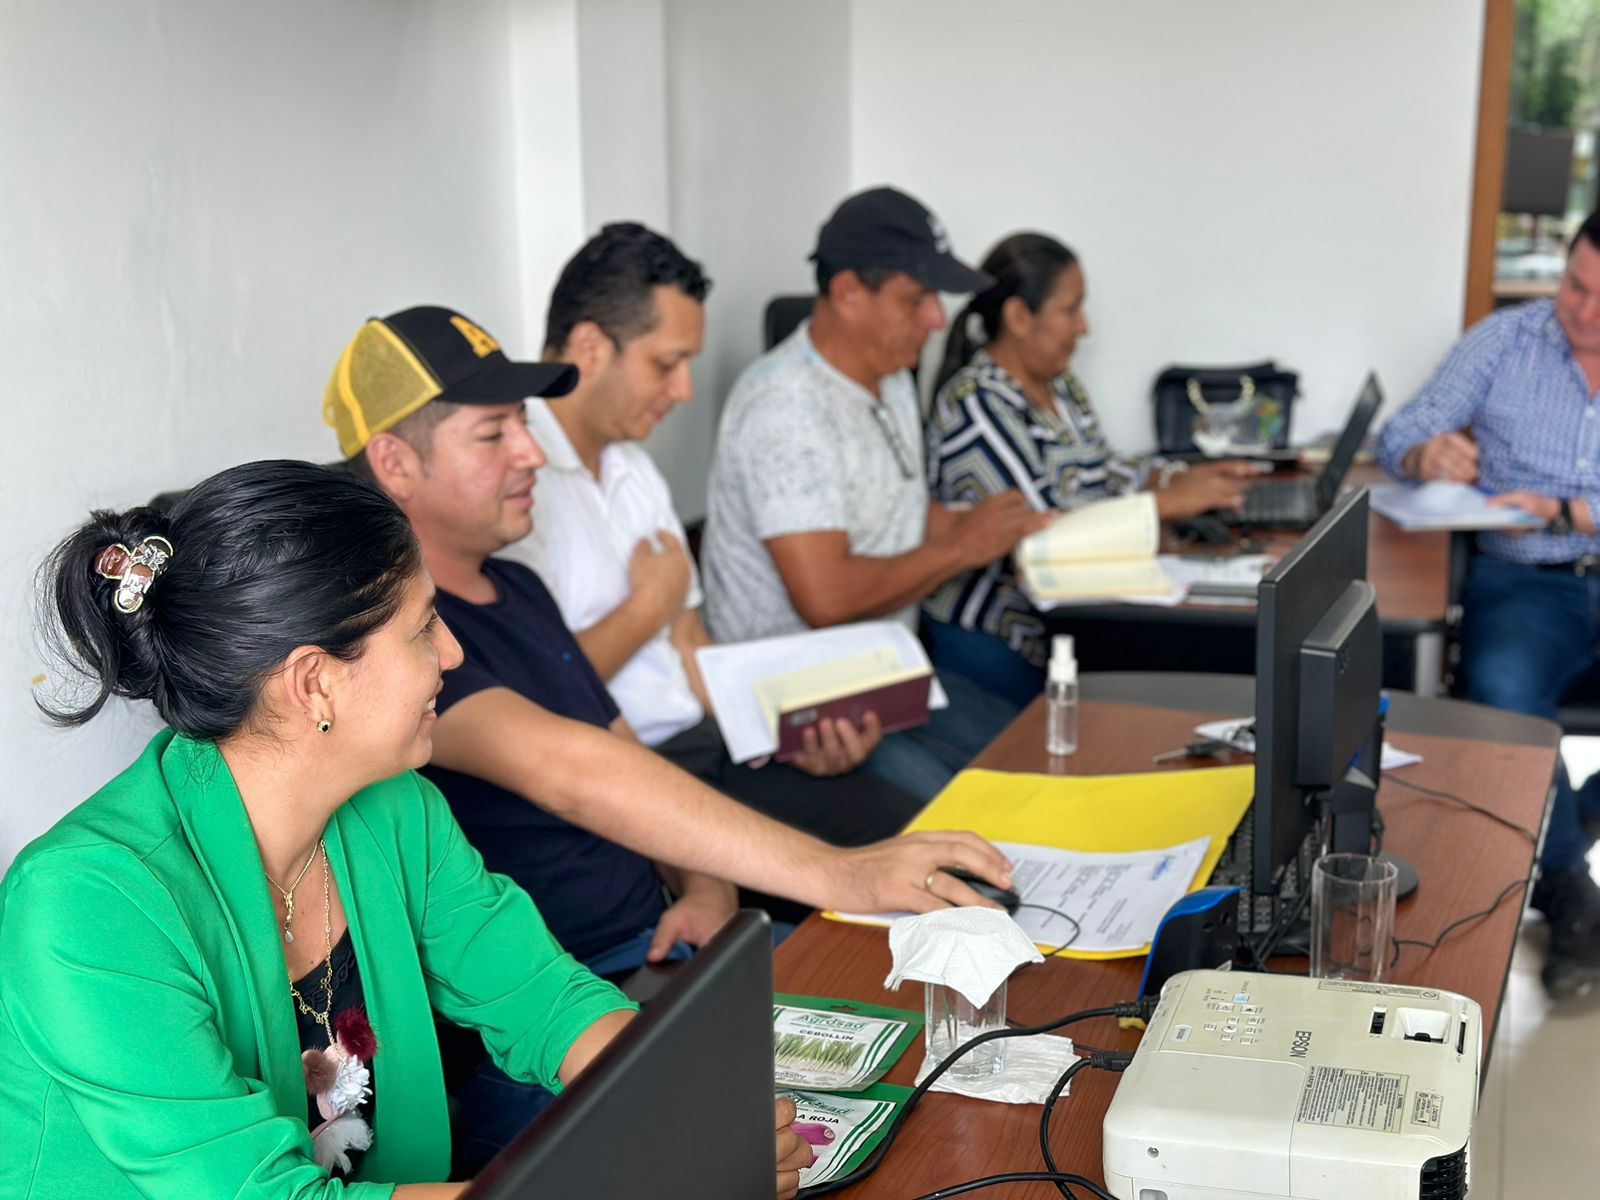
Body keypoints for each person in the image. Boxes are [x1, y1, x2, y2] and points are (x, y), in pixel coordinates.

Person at [0, 459, 815, 1198]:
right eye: (424, 627)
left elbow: (542, 998)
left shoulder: (395, 807)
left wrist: (698, 1110)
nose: (453, 653)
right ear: (314, 684)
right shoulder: (84, 903)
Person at [496, 221, 923, 847]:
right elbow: (529, 702)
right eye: (667, 364)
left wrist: (786, 735)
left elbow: (691, 644)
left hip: (706, 746)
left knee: (917, 831)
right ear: (589, 347)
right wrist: (651, 603)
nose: (685, 390)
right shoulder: (513, 486)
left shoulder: (633, 469)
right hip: (625, 777)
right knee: (892, 856)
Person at [700, 187, 1051, 800]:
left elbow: (896, 514)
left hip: (882, 676)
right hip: (801, 708)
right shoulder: (786, 408)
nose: (937, 319)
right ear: (847, 295)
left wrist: (1004, 527)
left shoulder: (890, 376)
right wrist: (963, 547)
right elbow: (827, 597)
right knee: (980, 816)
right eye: (916, 299)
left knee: (1042, 761)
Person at [1375, 208, 1600, 1000]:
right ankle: (1567, 886)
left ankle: (1568, 812)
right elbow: (1399, 434)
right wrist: (1424, 454)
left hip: (1573, 541)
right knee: (1501, 688)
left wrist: (1569, 512)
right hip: (1525, 581)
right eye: (1576, 287)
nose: (1584, 312)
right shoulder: (1506, 340)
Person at [923, 232, 1257, 705]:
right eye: (1071, 310)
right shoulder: (976, 404)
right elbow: (1041, 533)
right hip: (1004, 639)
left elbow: (1105, 470)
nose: (1084, 328)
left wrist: (1175, 479)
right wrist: (1161, 505)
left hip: (1082, 622)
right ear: (1019, 317)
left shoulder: (1061, 387)